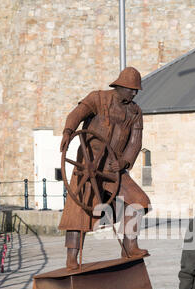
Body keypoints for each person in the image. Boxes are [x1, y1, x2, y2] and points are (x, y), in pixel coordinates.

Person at [59, 67, 151, 270]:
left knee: (139, 201)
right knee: (78, 212)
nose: (134, 94)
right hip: (87, 168)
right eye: (131, 90)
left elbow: (135, 143)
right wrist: (68, 131)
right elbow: (77, 113)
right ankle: (72, 257)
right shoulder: (98, 99)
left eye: (136, 91)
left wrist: (124, 162)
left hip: (113, 169)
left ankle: (130, 247)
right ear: (120, 86)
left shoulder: (134, 112)